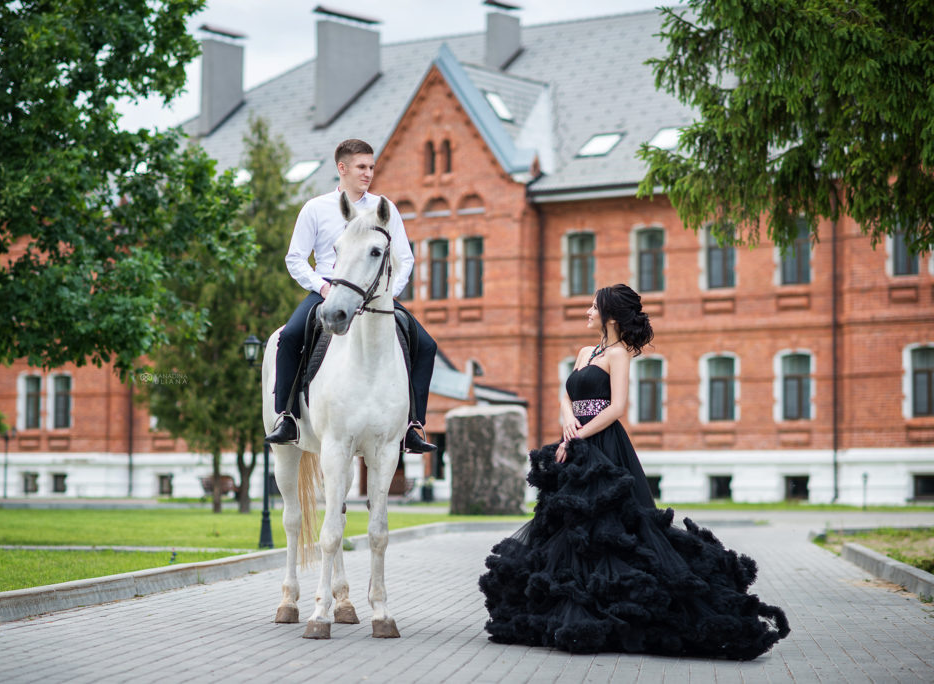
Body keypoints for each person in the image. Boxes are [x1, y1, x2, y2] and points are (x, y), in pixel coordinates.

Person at [478, 283, 790, 659]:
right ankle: (571, 607)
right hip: (575, 446)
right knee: (570, 529)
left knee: (613, 529)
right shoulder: (584, 352)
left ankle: (622, 613)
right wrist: (567, 424)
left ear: (610, 315)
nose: (587, 312)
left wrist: (578, 436)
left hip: (605, 448)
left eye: (593, 307)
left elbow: (617, 407)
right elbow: (566, 395)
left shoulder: (620, 354)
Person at [265, 139, 437, 454]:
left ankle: (413, 424)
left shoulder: (385, 209)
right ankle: (287, 416)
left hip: (374, 295)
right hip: (330, 291)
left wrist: (387, 295)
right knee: (289, 337)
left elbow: (405, 258)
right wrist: (323, 287)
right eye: (361, 167)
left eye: (371, 167)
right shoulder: (315, 208)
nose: (368, 173)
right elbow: (296, 259)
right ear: (342, 168)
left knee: (426, 345)